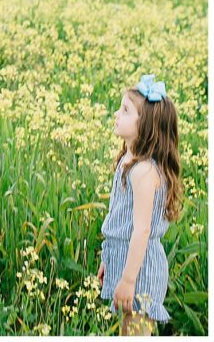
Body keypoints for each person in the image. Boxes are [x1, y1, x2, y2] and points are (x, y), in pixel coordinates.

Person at [98, 75, 182, 336]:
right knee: (128, 333)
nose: (116, 114)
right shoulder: (128, 158)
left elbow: (141, 231)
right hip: (125, 260)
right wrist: (108, 260)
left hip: (140, 270)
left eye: (125, 110)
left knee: (136, 334)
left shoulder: (144, 172)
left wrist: (128, 279)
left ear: (145, 125)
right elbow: (120, 220)